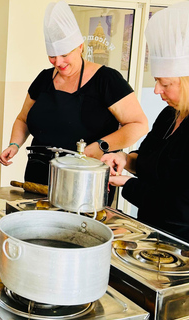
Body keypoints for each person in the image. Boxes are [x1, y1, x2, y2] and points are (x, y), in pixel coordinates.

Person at [0, 1, 148, 189]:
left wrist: (101, 145)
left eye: (64, 54)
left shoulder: (107, 80)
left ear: (80, 46)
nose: (58, 62)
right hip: (38, 175)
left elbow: (139, 125)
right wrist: (14, 144)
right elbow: (23, 119)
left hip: (85, 180)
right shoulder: (44, 78)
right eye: (52, 56)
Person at [101, 2, 189, 242]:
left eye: (165, 83)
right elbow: (152, 162)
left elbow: (180, 209)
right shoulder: (169, 115)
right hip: (150, 234)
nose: (156, 90)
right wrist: (125, 159)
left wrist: (127, 185)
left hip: (181, 247)